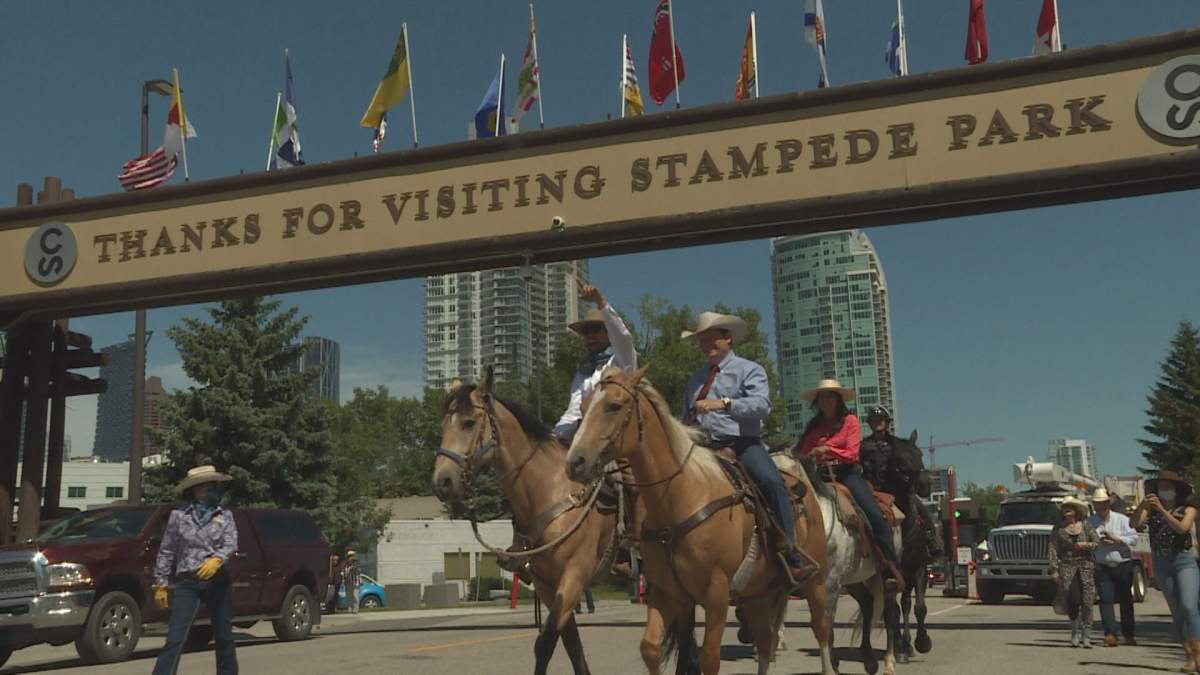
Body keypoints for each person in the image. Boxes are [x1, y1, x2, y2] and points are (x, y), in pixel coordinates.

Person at [680, 311, 817, 585]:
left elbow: (761, 405)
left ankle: (790, 553)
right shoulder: (695, 379)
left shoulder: (749, 369)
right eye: (701, 341)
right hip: (703, 447)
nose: (706, 345)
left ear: (727, 338)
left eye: (711, 339)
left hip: (741, 444)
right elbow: (685, 416)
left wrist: (723, 403)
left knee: (772, 481)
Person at [794, 380, 903, 592]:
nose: (826, 401)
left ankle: (891, 567)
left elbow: (853, 453)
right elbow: (802, 454)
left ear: (838, 400)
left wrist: (826, 450)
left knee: (875, 515)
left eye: (830, 396)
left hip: (847, 474)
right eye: (822, 397)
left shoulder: (850, 421)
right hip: (818, 476)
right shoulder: (813, 427)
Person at [152, 465, 239, 675]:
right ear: (194, 490)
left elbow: (231, 543)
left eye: (211, 486)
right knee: (175, 637)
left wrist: (217, 559)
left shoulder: (224, 515)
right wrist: (160, 584)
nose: (206, 491)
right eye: (202, 487)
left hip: (217, 581)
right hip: (188, 582)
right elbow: (167, 550)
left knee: (224, 635)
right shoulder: (179, 516)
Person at [552, 282, 637, 443]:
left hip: (620, 441)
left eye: (596, 330)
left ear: (608, 332)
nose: (590, 335)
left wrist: (600, 301)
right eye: (586, 331)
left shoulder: (622, 360)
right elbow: (574, 411)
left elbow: (622, 335)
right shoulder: (583, 371)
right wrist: (554, 438)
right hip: (591, 441)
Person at [1133, 470, 1200, 672]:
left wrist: (1162, 510)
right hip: (1162, 561)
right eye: (1161, 486)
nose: (1164, 490)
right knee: (1177, 611)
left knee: (1189, 606)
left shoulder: (1188, 508)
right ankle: (1189, 656)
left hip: (1184, 560)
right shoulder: (1151, 509)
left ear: (1176, 489)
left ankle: (1198, 654)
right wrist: (1143, 506)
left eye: (1168, 486)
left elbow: (1182, 528)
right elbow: (1134, 524)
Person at [858, 405, 942, 560]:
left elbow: (913, 464)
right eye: (874, 420)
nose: (878, 423)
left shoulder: (899, 444)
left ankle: (932, 541)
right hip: (874, 492)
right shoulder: (863, 446)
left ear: (887, 423)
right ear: (870, 424)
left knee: (921, 509)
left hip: (898, 491)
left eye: (880, 420)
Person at [1087, 487, 1138, 647]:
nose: (1100, 507)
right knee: (1106, 600)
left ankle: (1128, 634)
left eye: (1102, 503)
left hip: (1122, 563)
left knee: (1125, 600)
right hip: (1102, 565)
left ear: (1108, 503)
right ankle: (1110, 633)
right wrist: (1098, 543)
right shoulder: (1090, 522)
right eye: (1097, 504)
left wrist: (1116, 539)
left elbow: (1134, 539)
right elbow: (1087, 541)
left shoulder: (1122, 519)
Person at [1049, 498, 1099, 648]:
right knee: (1073, 599)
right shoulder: (1058, 528)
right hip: (1067, 566)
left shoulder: (1086, 526)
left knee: (1088, 601)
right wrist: (1054, 569)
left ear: (1077, 511)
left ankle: (1087, 634)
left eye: (1071, 508)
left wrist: (1085, 545)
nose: (1067, 510)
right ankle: (1075, 632)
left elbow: (1097, 543)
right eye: (1065, 508)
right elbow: (1053, 548)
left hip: (1086, 566)